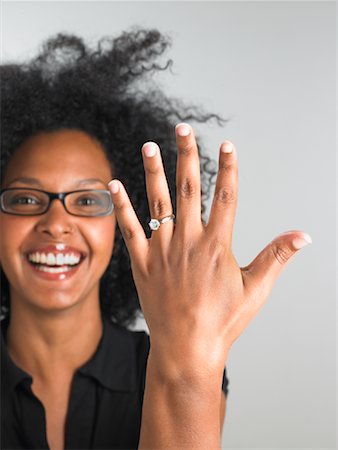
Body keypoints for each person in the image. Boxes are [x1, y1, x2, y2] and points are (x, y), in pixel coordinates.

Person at [0, 29, 312, 450]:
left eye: (90, 200)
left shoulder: (177, 357)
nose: (56, 223)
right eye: (24, 198)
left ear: (122, 222)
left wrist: (190, 349)